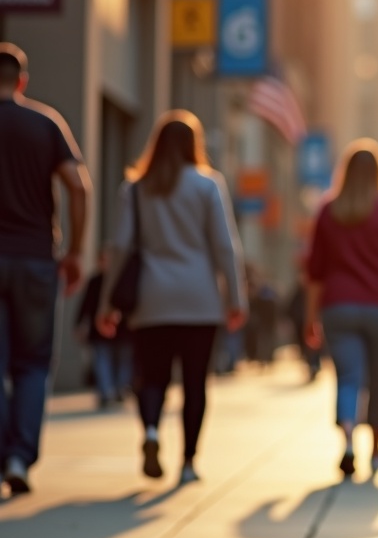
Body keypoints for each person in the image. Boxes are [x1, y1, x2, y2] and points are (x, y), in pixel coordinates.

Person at [99, 111, 247, 483]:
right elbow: (225, 246)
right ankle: (188, 462)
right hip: (199, 299)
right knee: (195, 382)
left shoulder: (135, 189)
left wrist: (106, 301)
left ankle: (150, 431)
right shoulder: (207, 184)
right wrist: (236, 298)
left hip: (152, 298)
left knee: (152, 377)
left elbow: (120, 247)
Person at [0, 43, 91, 495]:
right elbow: (79, 186)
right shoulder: (45, 123)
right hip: (36, 259)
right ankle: (19, 456)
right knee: (33, 363)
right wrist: (75, 251)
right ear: (22, 80)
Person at [305, 139, 378, 476]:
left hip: (339, 306)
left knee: (348, 376)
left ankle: (348, 442)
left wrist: (310, 318)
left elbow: (315, 270)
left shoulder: (328, 210)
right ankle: (377, 451)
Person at [76, 252, 133, 408]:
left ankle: (120, 388)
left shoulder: (121, 279)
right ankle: (107, 391)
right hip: (100, 330)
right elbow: (86, 304)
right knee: (102, 360)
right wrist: (80, 324)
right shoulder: (95, 281)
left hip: (123, 330)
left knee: (123, 360)